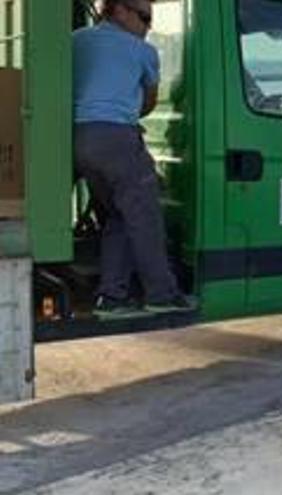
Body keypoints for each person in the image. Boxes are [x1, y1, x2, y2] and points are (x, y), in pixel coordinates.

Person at [73, 0, 191, 318]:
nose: (148, 26)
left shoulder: (75, 40)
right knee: (146, 215)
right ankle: (162, 295)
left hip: (76, 139)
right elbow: (150, 101)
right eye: (144, 17)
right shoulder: (142, 51)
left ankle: (112, 298)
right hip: (116, 138)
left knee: (118, 215)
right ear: (118, 10)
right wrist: (123, 114)